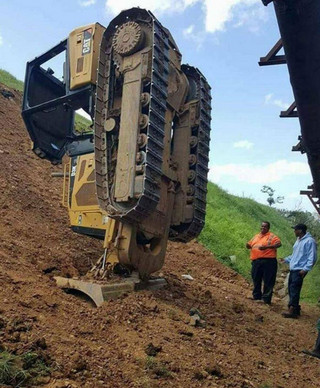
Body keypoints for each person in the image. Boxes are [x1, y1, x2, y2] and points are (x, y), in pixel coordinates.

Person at [281, 223, 317, 318]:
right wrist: (286, 259)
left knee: (294, 289)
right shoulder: (298, 240)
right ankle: (295, 309)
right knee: (291, 288)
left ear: (300, 230)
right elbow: (295, 255)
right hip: (294, 268)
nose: (294, 231)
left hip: (299, 270)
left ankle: (292, 310)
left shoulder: (310, 241)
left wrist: (305, 269)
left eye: (295, 229)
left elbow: (312, 257)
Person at [246, 221, 282, 304]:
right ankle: (256, 296)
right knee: (256, 279)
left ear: (268, 228)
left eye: (265, 227)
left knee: (268, 280)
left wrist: (267, 247)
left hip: (268, 261)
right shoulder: (256, 236)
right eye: (262, 226)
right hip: (256, 261)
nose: (263, 228)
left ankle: (266, 299)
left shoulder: (272, 236)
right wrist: (248, 245)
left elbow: (279, 244)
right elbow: (250, 244)